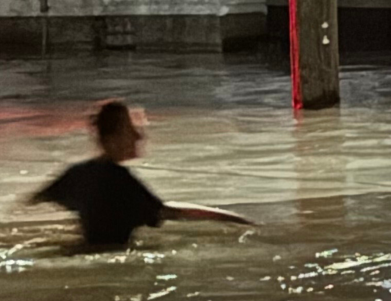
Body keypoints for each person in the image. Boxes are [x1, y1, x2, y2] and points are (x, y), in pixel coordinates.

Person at [27, 99, 252, 247]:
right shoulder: (121, 182)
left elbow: (33, 201)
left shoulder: (77, 174)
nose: (139, 137)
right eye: (131, 130)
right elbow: (170, 213)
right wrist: (235, 220)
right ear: (113, 139)